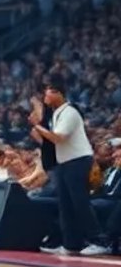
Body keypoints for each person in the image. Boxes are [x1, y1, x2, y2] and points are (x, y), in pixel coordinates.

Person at [30, 83, 103, 256]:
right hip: (64, 163)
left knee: (80, 202)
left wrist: (38, 126)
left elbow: (59, 138)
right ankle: (71, 244)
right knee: (66, 206)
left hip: (78, 161)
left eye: (47, 94)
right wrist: (37, 121)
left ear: (58, 93)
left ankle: (99, 240)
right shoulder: (57, 113)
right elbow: (48, 139)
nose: (45, 98)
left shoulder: (70, 112)